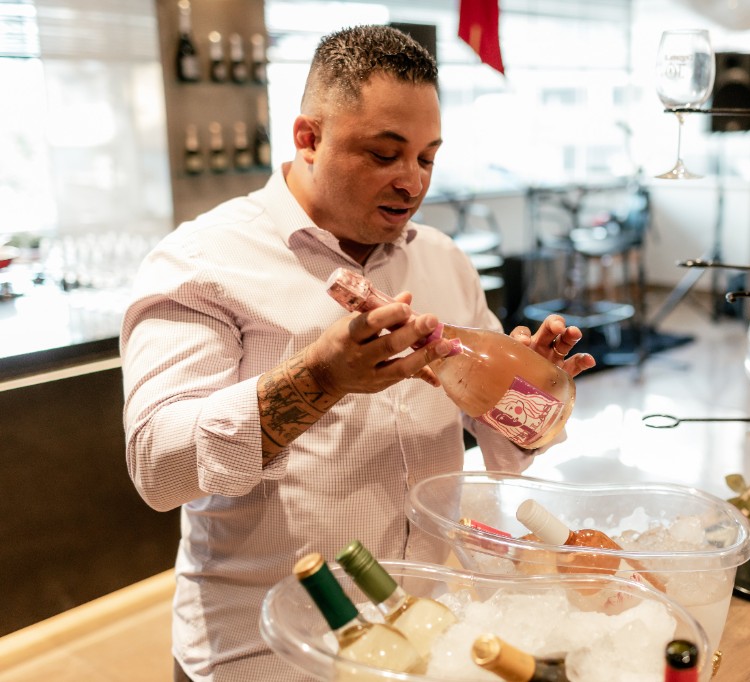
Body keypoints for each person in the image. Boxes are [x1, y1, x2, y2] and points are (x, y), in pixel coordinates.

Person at [120, 25, 595, 682]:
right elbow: (159, 469)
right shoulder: (201, 263)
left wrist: (527, 392)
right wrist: (319, 379)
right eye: (384, 154)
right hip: (264, 651)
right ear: (308, 138)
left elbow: (504, 444)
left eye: (427, 158)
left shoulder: (444, 261)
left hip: (423, 634)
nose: (412, 182)